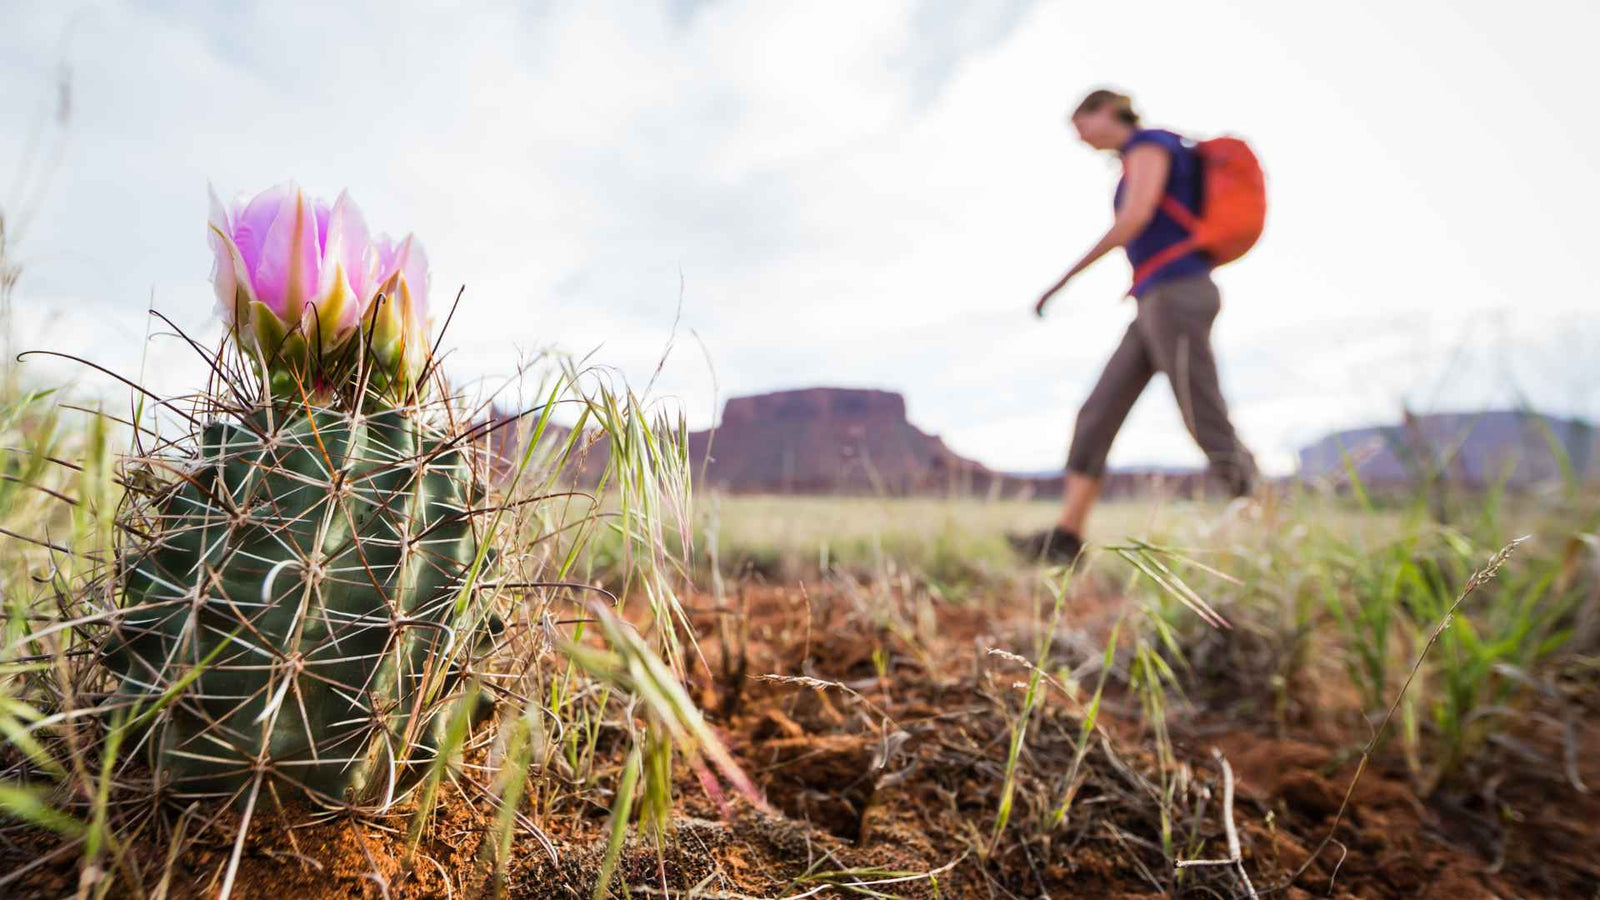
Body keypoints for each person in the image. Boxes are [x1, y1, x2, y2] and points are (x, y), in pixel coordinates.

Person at [1014, 88, 1257, 564]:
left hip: (1178, 294)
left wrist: (1061, 282)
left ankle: (1266, 523)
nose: (1079, 137)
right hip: (1152, 300)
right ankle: (1066, 540)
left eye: (1080, 124)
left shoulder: (1150, 145)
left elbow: (1136, 217)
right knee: (1097, 413)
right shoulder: (1135, 156)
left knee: (1203, 415)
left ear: (1106, 110)